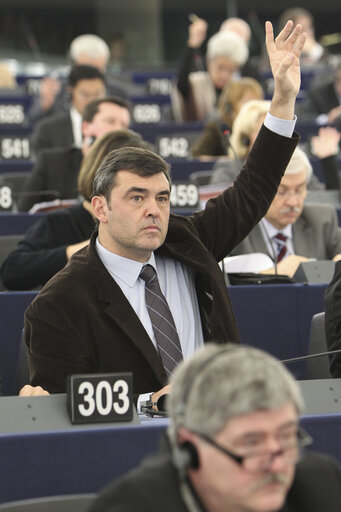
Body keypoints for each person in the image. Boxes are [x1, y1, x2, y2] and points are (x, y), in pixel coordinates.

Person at [20, 20, 304, 401]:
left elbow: (253, 188)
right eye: (137, 197)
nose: (154, 209)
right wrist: (148, 405)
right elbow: (70, 420)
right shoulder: (60, 303)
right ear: (100, 208)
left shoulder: (188, 241)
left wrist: (283, 100)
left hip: (224, 434)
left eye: (162, 198)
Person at [89, 344, 341, 512]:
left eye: (286, 438)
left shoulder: (321, 484)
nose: (277, 466)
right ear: (189, 448)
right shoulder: (129, 506)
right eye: (251, 444)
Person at [0, 129, 149, 291]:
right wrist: (84, 250)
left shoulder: (153, 229)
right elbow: (12, 272)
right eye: (136, 196)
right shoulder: (60, 223)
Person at [230, 146, 341, 276]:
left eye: (299, 190)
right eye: (281, 192)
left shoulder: (322, 219)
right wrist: (271, 274)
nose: (293, 202)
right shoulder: (234, 228)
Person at [18, 96, 131, 212]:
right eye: (110, 121)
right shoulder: (51, 163)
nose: (119, 130)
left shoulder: (131, 170)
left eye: (124, 125)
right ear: (86, 127)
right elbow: (23, 215)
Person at [27, 33, 131, 124]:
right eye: (85, 70)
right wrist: (45, 106)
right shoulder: (55, 90)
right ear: (74, 65)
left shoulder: (118, 94)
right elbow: (32, 124)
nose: (91, 76)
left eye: (97, 70)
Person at [174, 21, 249, 121]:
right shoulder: (196, 84)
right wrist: (192, 44)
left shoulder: (237, 89)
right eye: (220, 68)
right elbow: (181, 83)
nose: (224, 75)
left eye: (230, 70)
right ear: (209, 62)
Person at [31, 65, 106, 156]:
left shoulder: (115, 128)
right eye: (85, 95)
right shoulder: (47, 131)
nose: (92, 101)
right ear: (70, 92)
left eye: (97, 95)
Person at [191, 77, 264, 159]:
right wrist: (229, 160)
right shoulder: (218, 128)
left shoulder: (261, 129)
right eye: (247, 101)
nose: (253, 107)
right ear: (230, 107)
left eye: (257, 101)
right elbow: (197, 156)